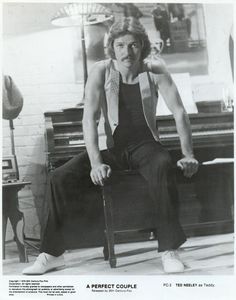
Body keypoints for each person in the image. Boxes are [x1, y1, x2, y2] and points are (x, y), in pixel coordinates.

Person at [23, 17, 198, 275]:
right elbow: (89, 119)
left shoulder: (155, 70)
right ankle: (52, 253)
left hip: (146, 147)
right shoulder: (101, 71)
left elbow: (180, 113)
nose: (127, 52)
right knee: (59, 177)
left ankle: (168, 249)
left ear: (143, 46)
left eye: (134, 45)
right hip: (114, 150)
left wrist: (188, 154)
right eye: (120, 45)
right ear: (112, 47)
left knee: (162, 164)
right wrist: (95, 162)